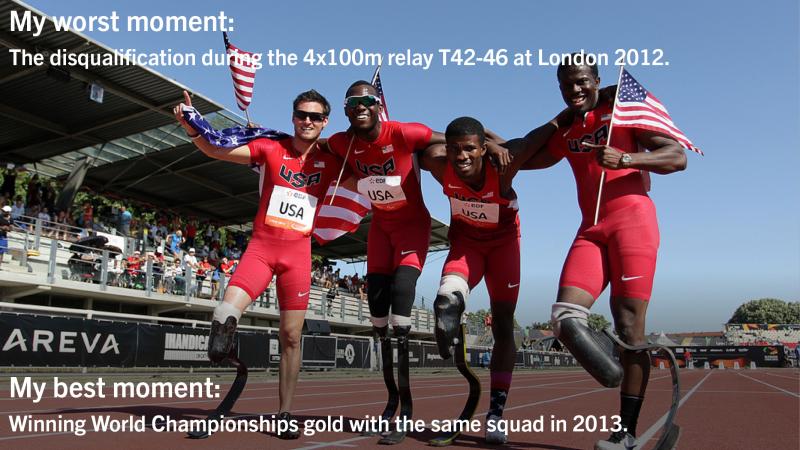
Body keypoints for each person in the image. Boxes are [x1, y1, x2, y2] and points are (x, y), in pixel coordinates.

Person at [516, 59, 687, 449]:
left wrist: (627, 158)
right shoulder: (570, 130)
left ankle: (626, 431)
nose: (574, 90)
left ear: (596, 81)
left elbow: (677, 157)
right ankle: (612, 367)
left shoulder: (622, 115)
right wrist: (489, 147)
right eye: (566, 86)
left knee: (629, 329)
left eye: (581, 83)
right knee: (565, 319)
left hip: (633, 221)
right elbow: (525, 155)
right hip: (591, 229)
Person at [175, 88, 349, 439]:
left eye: (315, 117)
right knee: (224, 314)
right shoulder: (271, 148)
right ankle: (223, 338)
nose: (308, 121)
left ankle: (284, 413)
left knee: (291, 336)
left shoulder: (334, 159)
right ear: (293, 116)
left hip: (298, 255)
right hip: (261, 248)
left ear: (325, 122)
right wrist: (191, 124)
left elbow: (368, 167)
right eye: (302, 114)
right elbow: (215, 148)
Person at [423, 116, 561, 444]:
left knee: (502, 326)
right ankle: (447, 319)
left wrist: (562, 119)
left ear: (484, 150)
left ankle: (496, 414)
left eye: (470, 149)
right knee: (446, 298)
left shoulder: (503, 166)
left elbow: (534, 140)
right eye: (455, 149)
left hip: (503, 249)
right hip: (467, 245)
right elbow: (407, 143)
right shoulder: (436, 163)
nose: (462, 156)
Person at [0, 205, 12, 270]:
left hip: (3, 237)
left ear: (8, 212)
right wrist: (2, 227)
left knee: (1, 252)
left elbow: (11, 228)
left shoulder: (10, 219)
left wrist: (7, 228)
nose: (2, 211)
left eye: (4, 211)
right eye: (3, 210)